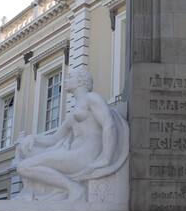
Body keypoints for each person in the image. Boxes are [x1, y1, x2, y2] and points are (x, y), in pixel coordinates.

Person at [14, 67, 128, 201]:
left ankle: (74, 189)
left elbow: (109, 125)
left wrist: (105, 158)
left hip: (85, 155)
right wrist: (32, 137)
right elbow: (55, 138)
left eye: (70, 77)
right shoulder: (75, 110)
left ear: (81, 81)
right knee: (25, 157)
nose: (65, 80)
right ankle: (71, 188)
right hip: (73, 154)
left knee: (25, 166)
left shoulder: (92, 98)